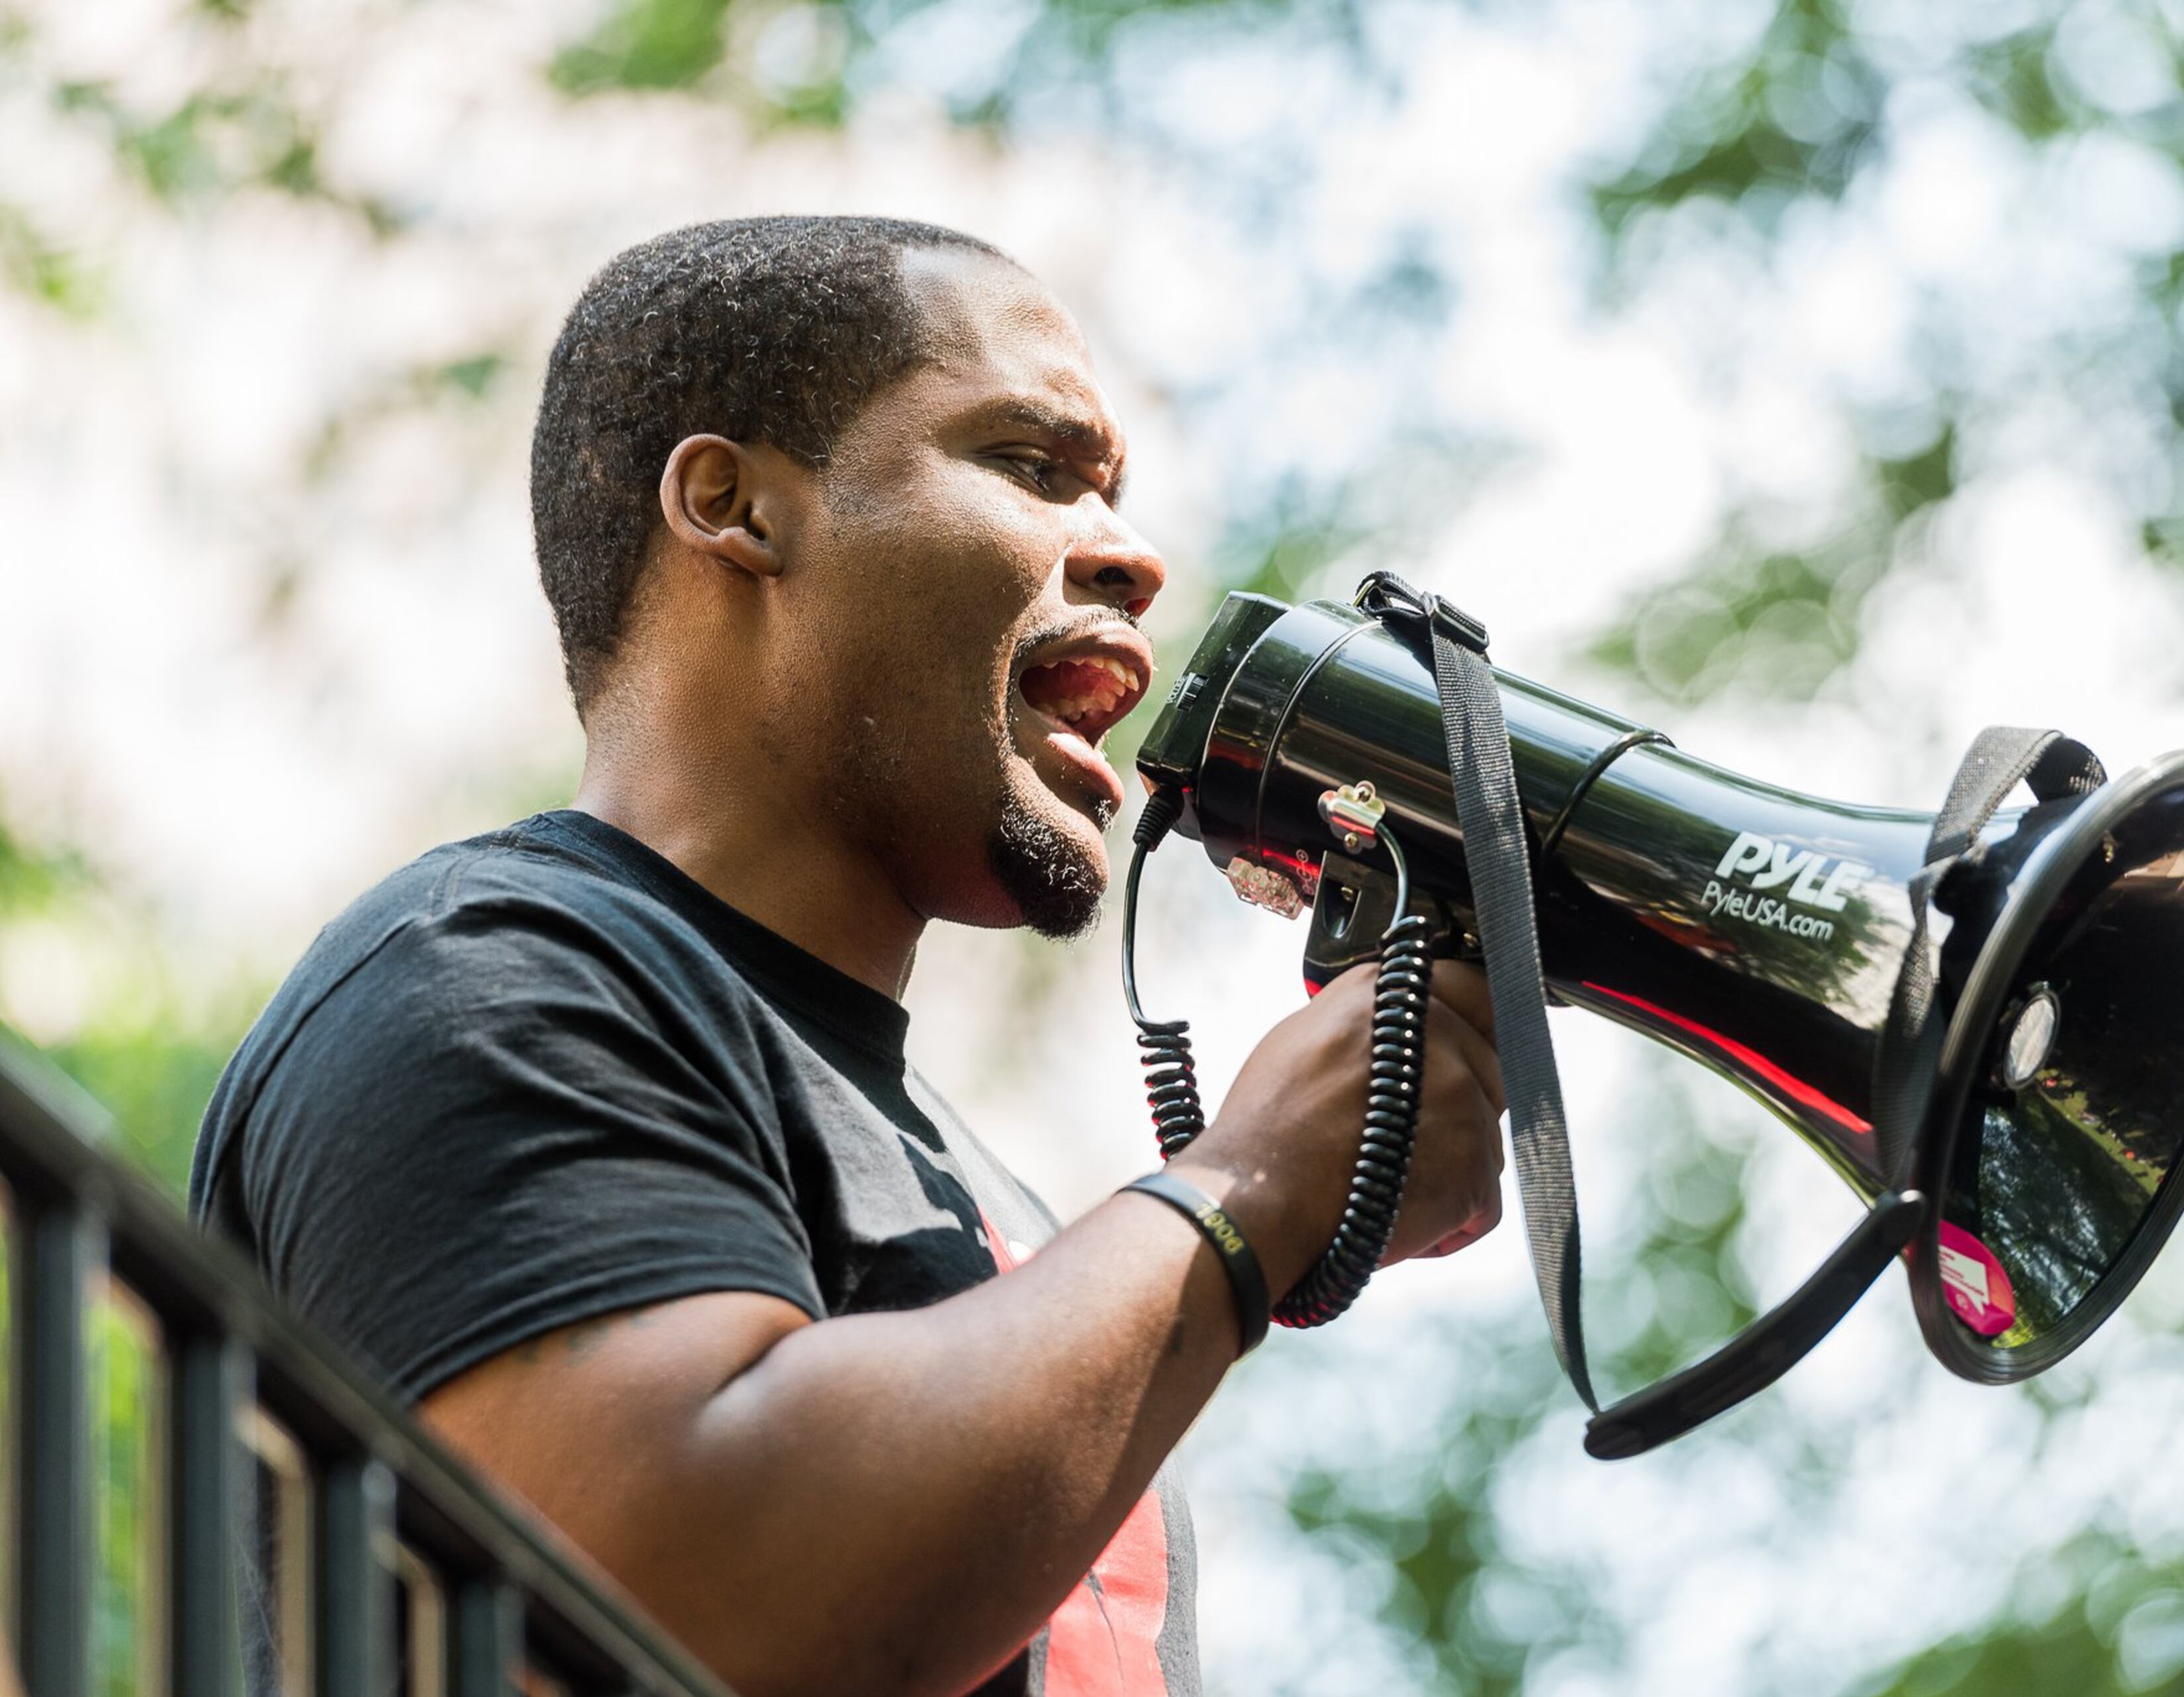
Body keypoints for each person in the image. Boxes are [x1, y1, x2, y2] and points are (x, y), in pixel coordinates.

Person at [189, 216, 1508, 1697]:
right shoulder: (485, 973)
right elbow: (689, 1605)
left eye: (1118, 495)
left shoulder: (985, 1187)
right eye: (1030, 464)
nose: (1136, 557)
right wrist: (1256, 1183)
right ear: (734, 504)